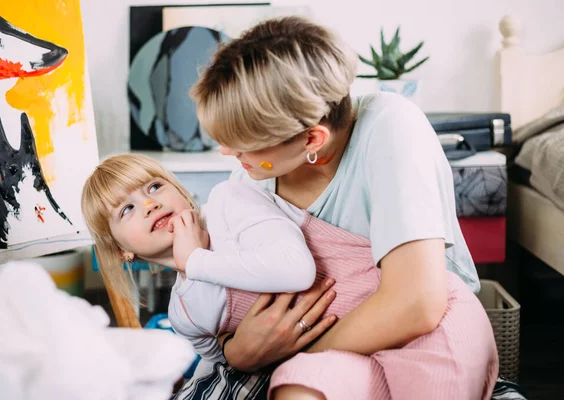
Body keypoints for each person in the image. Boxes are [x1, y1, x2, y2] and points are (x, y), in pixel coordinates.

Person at [179, 15, 500, 399]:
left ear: (312, 138)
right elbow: (239, 299)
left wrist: (290, 353)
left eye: (245, 144)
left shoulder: (390, 125)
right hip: (336, 346)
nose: (228, 153)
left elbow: (417, 305)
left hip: (422, 337)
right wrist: (239, 351)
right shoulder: (250, 181)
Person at [81, 154, 498, 400]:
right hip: (354, 355)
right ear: (122, 250)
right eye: (127, 210)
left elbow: (296, 270)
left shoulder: (230, 203)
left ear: (179, 191)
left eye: (153, 188)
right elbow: (221, 361)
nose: (149, 205)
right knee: (291, 385)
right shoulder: (185, 311)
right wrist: (232, 353)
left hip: (425, 319)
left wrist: (196, 260)